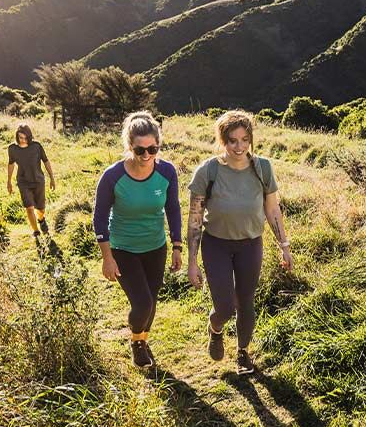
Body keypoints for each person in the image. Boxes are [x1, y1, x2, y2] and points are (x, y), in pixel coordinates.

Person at [187, 110, 293, 375]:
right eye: (233, 140)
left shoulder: (262, 168)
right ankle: (216, 328)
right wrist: (192, 262)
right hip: (216, 245)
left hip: (250, 244)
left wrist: (284, 246)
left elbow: (272, 210)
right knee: (224, 306)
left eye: (245, 139)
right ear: (222, 140)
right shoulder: (208, 171)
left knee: (246, 301)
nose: (239, 146)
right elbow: (195, 219)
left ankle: (243, 353)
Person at [94, 111, 183, 369]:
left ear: (158, 145)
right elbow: (99, 218)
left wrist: (177, 246)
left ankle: (142, 338)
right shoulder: (112, 176)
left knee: (151, 301)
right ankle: (136, 341)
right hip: (123, 248)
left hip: (156, 246)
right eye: (140, 150)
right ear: (129, 147)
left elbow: (173, 209)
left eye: (152, 149)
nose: (146, 156)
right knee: (142, 303)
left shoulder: (166, 172)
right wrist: (107, 258)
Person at [6, 123, 56, 238]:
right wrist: (9, 181)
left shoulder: (36, 146)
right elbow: (11, 164)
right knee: (29, 207)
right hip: (23, 181)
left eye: (25, 138)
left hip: (38, 180)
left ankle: (41, 219)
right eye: (20, 138)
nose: (22, 140)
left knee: (41, 208)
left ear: (29, 136)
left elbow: (46, 161)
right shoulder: (12, 149)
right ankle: (36, 231)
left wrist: (52, 177)